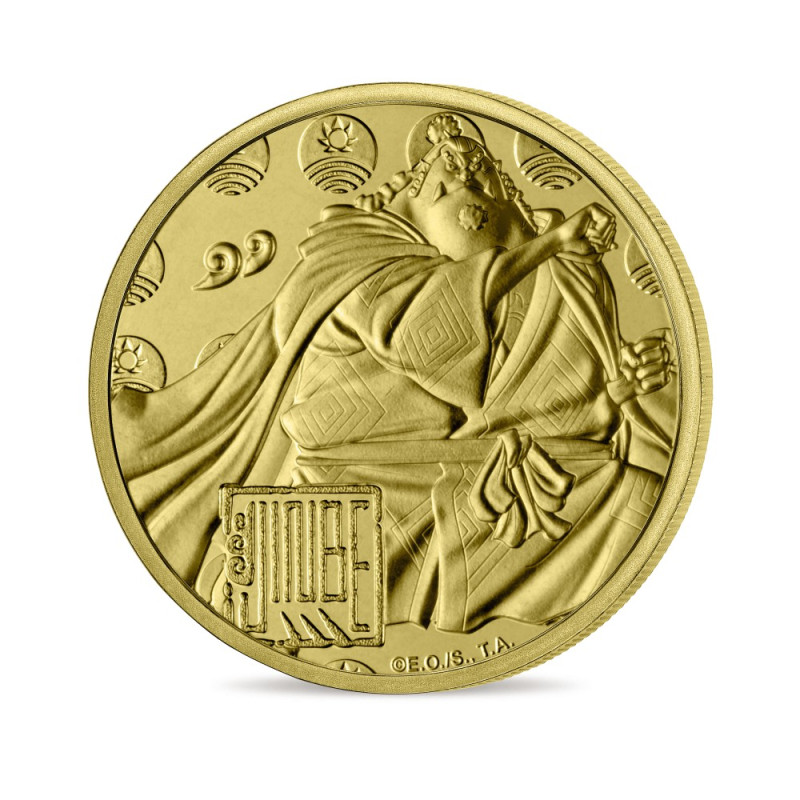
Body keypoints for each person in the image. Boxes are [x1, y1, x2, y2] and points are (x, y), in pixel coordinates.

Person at [113, 114, 675, 631]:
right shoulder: (354, 256)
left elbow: (536, 408)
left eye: (488, 188)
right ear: (425, 196)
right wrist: (552, 243)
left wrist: (615, 393)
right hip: (358, 496)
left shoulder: (516, 283)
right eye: (461, 190)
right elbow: (420, 333)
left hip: (475, 479)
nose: (474, 192)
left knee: (640, 501)